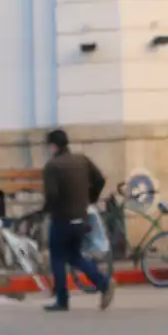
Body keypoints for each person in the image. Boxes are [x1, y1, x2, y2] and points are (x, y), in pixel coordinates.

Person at [42, 128, 112, 312]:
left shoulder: (52, 166)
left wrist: (46, 211)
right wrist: (91, 198)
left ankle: (62, 300)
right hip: (81, 217)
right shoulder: (82, 160)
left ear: (53, 146)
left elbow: (52, 195)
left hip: (61, 219)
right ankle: (103, 283)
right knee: (74, 256)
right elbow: (100, 180)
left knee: (57, 257)